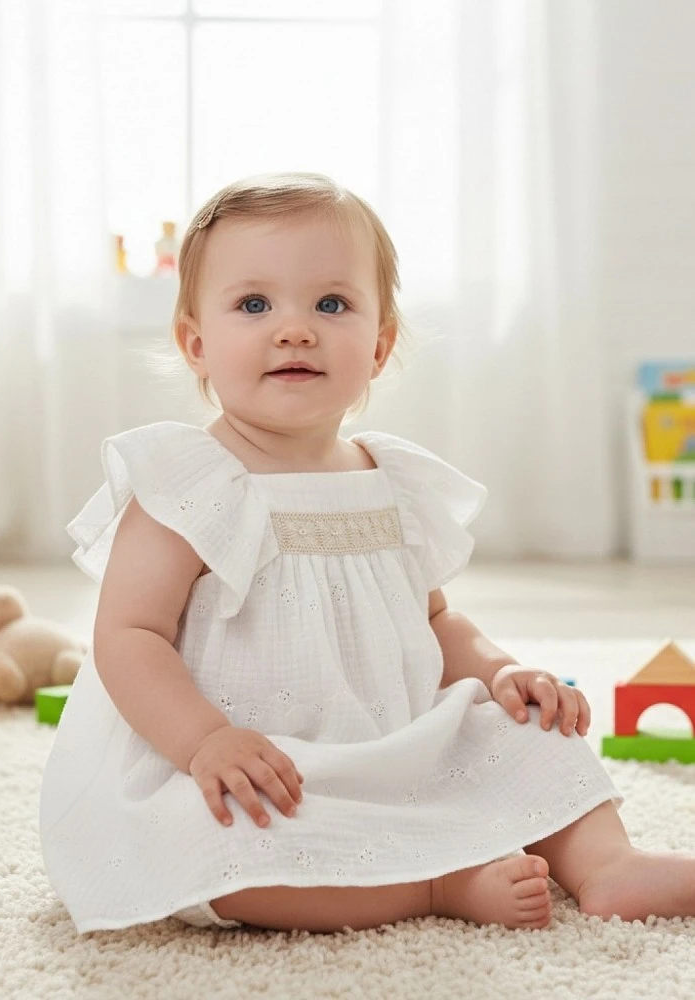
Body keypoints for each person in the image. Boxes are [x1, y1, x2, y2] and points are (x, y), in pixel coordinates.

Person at [40, 172, 695, 936]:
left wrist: (501, 671)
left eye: (331, 304)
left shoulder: (392, 479)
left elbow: (436, 620)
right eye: (254, 305)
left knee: (531, 729)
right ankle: (432, 885)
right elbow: (129, 636)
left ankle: (607, 863)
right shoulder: (189, 483)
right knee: (218, 838)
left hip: (394, 748)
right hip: (252, 764)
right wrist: (204, 741)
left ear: (379, 346)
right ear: (196, 345)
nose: (295, 330)